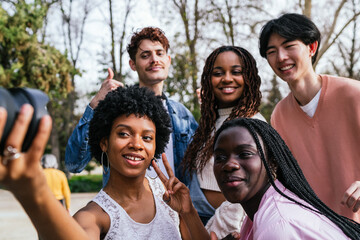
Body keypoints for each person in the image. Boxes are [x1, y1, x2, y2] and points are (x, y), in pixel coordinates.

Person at [0, 86, 209, 239]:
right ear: (103, 142)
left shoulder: (169, 198)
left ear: (156, 145)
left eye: (147, 137)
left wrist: (188, 211)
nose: (136, 144)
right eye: (124, 133)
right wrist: (32, 189)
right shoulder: (93, 218)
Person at [259, 13, 360, 222]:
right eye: (272, 51)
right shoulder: (279, 115)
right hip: (319, 229)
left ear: (311, 48)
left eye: (289, 46)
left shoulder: (353, 95)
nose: (281, 57)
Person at [65, 27, 198, 186]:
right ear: (133, 64)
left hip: (172, 208)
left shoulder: (183, 115)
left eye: (159, 53)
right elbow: (73, 163)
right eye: (145, 55)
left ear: (168, 60)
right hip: (125, 207)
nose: (154, 59)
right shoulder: (116, 109)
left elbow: (204, 167)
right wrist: (95, 105)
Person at [212, 118, 360, 240]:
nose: (229, 165)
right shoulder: (261, 212)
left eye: (245, 154)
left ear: (272, 162)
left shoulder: (279, 226)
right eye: (220, 157)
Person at [182, 46, 266, 236]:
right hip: (197, 214)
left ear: (249, 78)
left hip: (228, 224)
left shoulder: (254, 124)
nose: (227, 78)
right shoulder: (209, 120)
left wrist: (220, 229)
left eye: (236, 72)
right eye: (218, 73)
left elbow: (254, 188)